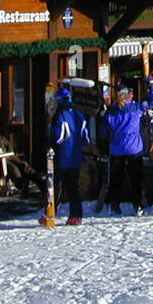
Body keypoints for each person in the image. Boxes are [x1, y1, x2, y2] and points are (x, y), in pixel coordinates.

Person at [100, 76, 153, 215]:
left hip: (116, 150)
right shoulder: (135, 108)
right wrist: (151, 86)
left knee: (116, 181)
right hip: (134, 149)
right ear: (129, 95)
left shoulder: (110, 112)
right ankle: (138, 206)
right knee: (136, 180)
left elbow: (103, 132)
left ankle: (114, 206)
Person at [47, 86, 92, 225]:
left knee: (55, 185)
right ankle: (76, 215)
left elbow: (58, 137)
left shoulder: (60, 116)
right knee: (74, 187)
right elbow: (86, 139)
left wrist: (50, 130)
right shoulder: (80, 115)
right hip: (77, 156)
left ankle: (51, 213)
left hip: (63, 156)